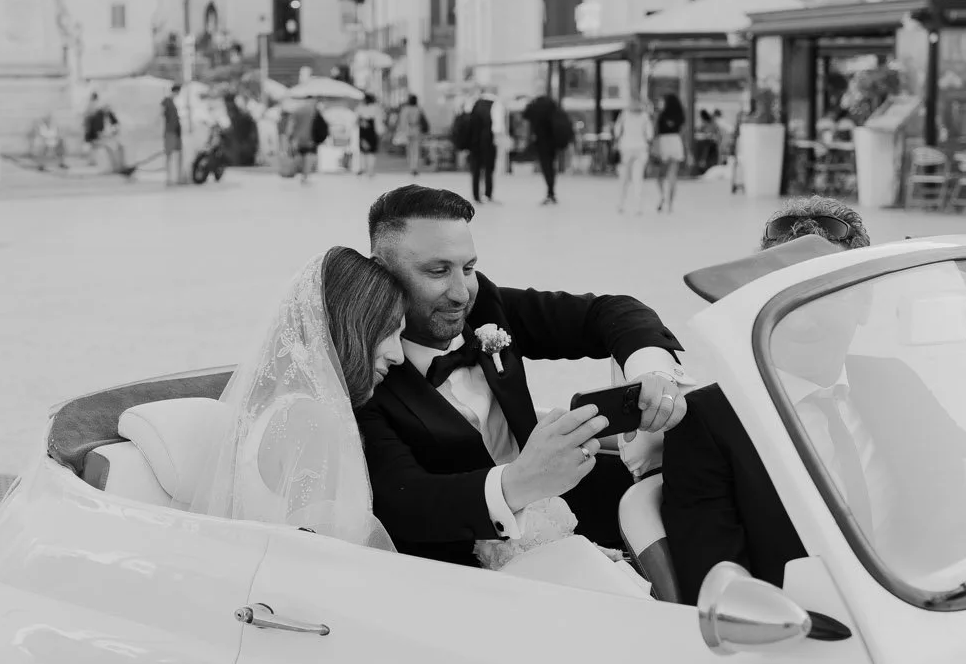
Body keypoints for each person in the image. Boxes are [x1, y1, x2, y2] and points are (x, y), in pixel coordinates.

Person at [659, 199, 966, 598]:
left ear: (864, 302)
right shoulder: (707, 424)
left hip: (933, 599)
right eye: (782, 294)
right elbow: (717, 585)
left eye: (823, 293)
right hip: (809, 625)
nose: (800, 317)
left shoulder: (893, 380)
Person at [356, 186, 685, 579]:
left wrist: (653, 372)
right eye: (438, 271)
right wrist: (519, 482)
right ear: (381, 270)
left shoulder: (486, 306)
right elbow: (405, 502)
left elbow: (610, 312)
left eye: (468, 267)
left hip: (565, 511)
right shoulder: (366, 377)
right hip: (468, 571)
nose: (461, 293)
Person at [194, 248, 406, 546]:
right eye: (388, 332)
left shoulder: (277, 410)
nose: (398, 355)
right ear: (351, 326)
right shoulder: (313, 421)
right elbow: (313, 556)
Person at [522, 91, 567, 205]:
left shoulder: (535, 107)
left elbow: (525, 114)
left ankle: (550, 192)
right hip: (553, 141)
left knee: (546, 167)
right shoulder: (552, 105)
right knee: (551, 166)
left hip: (542, 142)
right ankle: (551, 191)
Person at [614, 98, 652, 213]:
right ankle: (638, 206)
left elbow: (617, 131)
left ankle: (621, 204)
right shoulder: (645, 116)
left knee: (624, 178)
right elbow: (650, 134)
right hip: (641, 148)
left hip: (626, 148)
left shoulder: (624, 115)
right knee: (638, 178)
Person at [653, 90, 686, 213]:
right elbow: (682, 132)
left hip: (663, 143)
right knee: (672, 175)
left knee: (660, 174)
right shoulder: (680, 115)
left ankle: (662, 196)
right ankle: (670, 204)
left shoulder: (660, 115)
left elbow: (655, 130)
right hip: (676, 142)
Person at [466, 87, 497, 204]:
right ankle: (488, 194)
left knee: (476, 170)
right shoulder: (493, 106)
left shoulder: (474, 105)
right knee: (488, 169)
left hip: (475, 143)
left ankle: (476, 195)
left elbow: (469, 125)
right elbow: (497, 128)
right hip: (488, 142)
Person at [399, 95, 427, 175]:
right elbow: (422, 120)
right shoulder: (419, 109)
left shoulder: (405, 109)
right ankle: (414, 167)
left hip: (408, 130)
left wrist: (402, 131)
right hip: (416, 130)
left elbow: (402, 121)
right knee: (416, 150)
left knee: (409, 150)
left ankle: (411, 167)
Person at [356, 94, 381, 178]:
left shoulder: (360, 108)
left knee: (364, 151)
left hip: (364, 132)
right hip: (370, 132)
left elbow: (356, 120)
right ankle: (370, 170)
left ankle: (363, 168)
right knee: (371, 151)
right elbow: (378, 121)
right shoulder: (375, 108)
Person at [162, 84, 184, 187]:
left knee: (178, 155)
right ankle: (169, 178)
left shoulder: (174, 102)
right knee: (169, 155)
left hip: (176, 132)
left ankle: (178, 177)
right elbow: (161, 114)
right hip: (170, 132)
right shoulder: (167, 101)